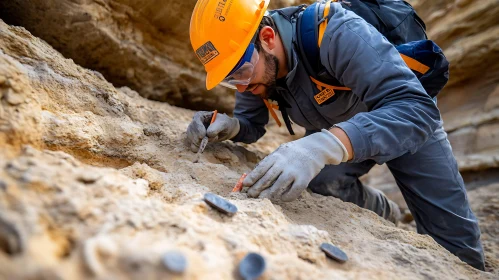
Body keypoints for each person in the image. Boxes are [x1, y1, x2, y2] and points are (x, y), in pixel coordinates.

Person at [187, 0, 485, 270]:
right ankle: (387, 212)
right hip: (338, 124)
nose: (239, 87)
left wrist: (322, 145)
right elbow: (251, 123)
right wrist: (231, 126)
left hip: (400, 117)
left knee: (457, 250)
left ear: (267, 38)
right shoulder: (255, 70)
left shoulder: (333, 32)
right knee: (322, 183)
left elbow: (415, 110)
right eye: (228, 79)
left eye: (240, 73)